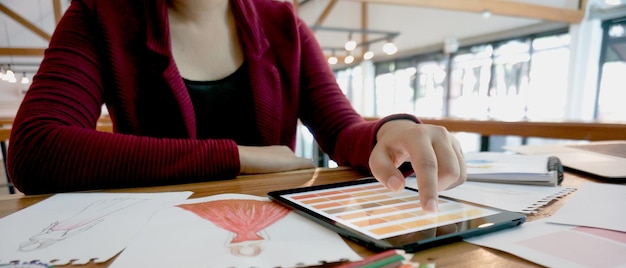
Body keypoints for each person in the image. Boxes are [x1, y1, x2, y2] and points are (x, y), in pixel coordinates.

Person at [7, 0, 465, 212]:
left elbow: (342, 130)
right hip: (153, 236)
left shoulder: (283, 23)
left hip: (274, 228)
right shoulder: (99, 14)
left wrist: (390, 130)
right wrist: (237, 157)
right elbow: (35, 150)